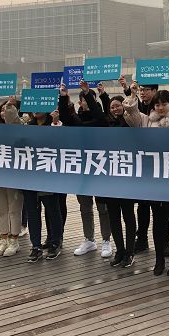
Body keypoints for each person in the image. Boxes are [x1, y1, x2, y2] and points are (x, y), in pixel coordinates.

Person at [123, 82, 169, 276]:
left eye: (164, 104)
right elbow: (131, 114)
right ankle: (159, 259)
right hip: (153, 176)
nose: (160, 107)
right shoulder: (146, 120)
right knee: (158, 219)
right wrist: (132, 95)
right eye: (157, 104)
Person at [58, 81, 113, 258]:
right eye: (84, 100)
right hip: (82, 169)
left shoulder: (101, 119)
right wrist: (63, 96)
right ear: (79, 103)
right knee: (85, 207)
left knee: (103, 207)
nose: (87, 102)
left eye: (90, 100)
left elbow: (99, 116)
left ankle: (106, 240)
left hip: (100, 168)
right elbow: (65, 117)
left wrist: (88, 93)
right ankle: (89, 239)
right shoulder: (76, 120)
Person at [119, 76, 167, 254]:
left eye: (146, 89)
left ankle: (164, 242)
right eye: (141, 89)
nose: (142, 92)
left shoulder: (163, 110)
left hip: (161, 165)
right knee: (143, 205)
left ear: (154, 91)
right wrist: (130, 93)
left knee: (161, 207)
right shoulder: (140, 107)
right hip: (142, 163)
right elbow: (131, 113)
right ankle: (142, 239)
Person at [100, 84, 137, 268]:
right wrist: (101, 95)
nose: (115, 109)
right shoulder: (106, 124)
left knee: (128, 216)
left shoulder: (130, 122)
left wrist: (130, 92)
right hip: (110, 178)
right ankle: (120, 251)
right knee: (113, 216)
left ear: (124, 106)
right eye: (111, 107)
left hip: (127, 176)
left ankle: (130, 252)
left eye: (118, 106)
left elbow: (135, 109)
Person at [22, 109, 65, 263]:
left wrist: (55, 122)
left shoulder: (53, 124)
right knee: (32, 212)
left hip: (47, 175)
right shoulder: (28, 125)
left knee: (52, 210)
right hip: (30, 176)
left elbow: (59, 142)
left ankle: (55, 243)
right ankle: (36, 246)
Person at [0, 97, 25, 257]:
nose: (5, 112)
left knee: (14, 209)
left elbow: (14, 122)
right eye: (3, 109)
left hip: (14, 174)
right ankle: (3, 238)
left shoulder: (20, 125)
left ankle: (14, 240)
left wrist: (11, 109)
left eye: (8, 109)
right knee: (1, 209)